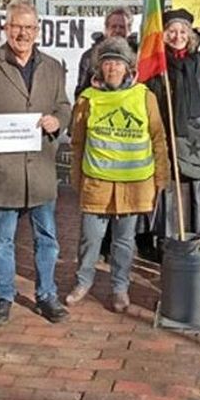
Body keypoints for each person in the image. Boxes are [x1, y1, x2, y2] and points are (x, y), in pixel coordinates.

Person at [0, 2, 73, 326]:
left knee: (47, 238)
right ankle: (3, 296)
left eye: (29, 27)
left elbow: (64, 105)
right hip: (4, 169)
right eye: (16, 26)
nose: (22, 33)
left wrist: (58, 121)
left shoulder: (52, 67)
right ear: (5, 28)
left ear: (37, 31)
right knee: (1, 240)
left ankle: (47, 295)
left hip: (40, 167)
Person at [65, 38, 169, 311]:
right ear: (99, 68)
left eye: (118, 63)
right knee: (90, 239)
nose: (112, 68)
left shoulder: (145, 96)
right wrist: (76, 178)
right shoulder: (87, 99)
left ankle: (120, 288)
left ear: (127, 67)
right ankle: (83, 282)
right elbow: (77, 141)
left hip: (134, 184)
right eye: (107, 63)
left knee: (124, 241)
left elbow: (158, 139)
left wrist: (162, 177)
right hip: (96, 182)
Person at [142, 9, 200, 248]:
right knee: (169, 194)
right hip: (165, 137)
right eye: (171, 31)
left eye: (182, 31)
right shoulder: (154, 65)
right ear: (163, 35)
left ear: (190, 34)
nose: (177, 36)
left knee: (193, 195)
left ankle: (192, 241)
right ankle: (166, 244)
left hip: (196, 140)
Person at [75, 8, 138, 99]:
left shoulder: (139, 54)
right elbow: (81, 92)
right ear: (106, 29)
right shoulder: (89, 57)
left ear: (129, 30)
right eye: (113, 26)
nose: (117, 30)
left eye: (122, 27)